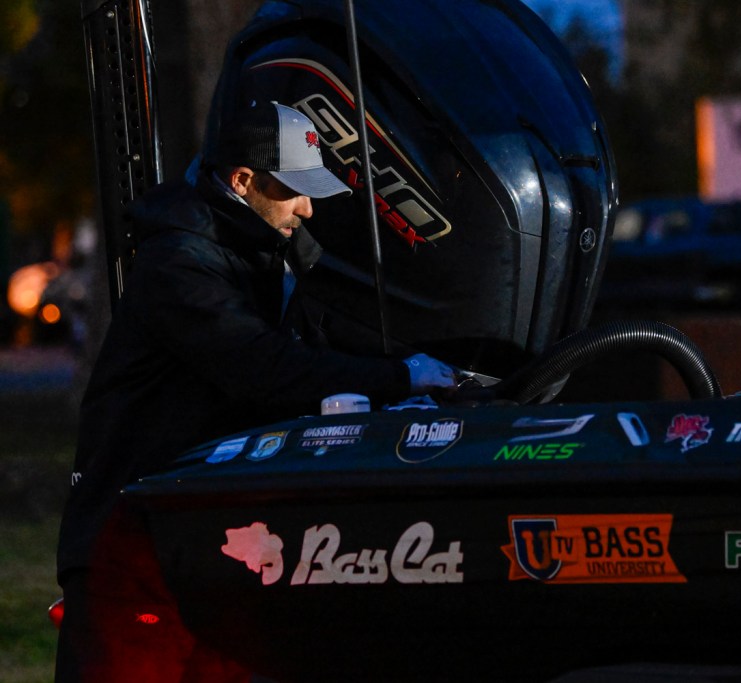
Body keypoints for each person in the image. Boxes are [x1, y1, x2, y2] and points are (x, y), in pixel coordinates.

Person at [55, 101, 457, 681]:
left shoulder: (262, 255)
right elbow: (265, 368)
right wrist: (401, 377)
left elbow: (315, 351)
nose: (308, 207)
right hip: (133, 541)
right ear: (242, 180)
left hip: (208, 542)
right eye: (295, 191)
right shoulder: (180, 264)